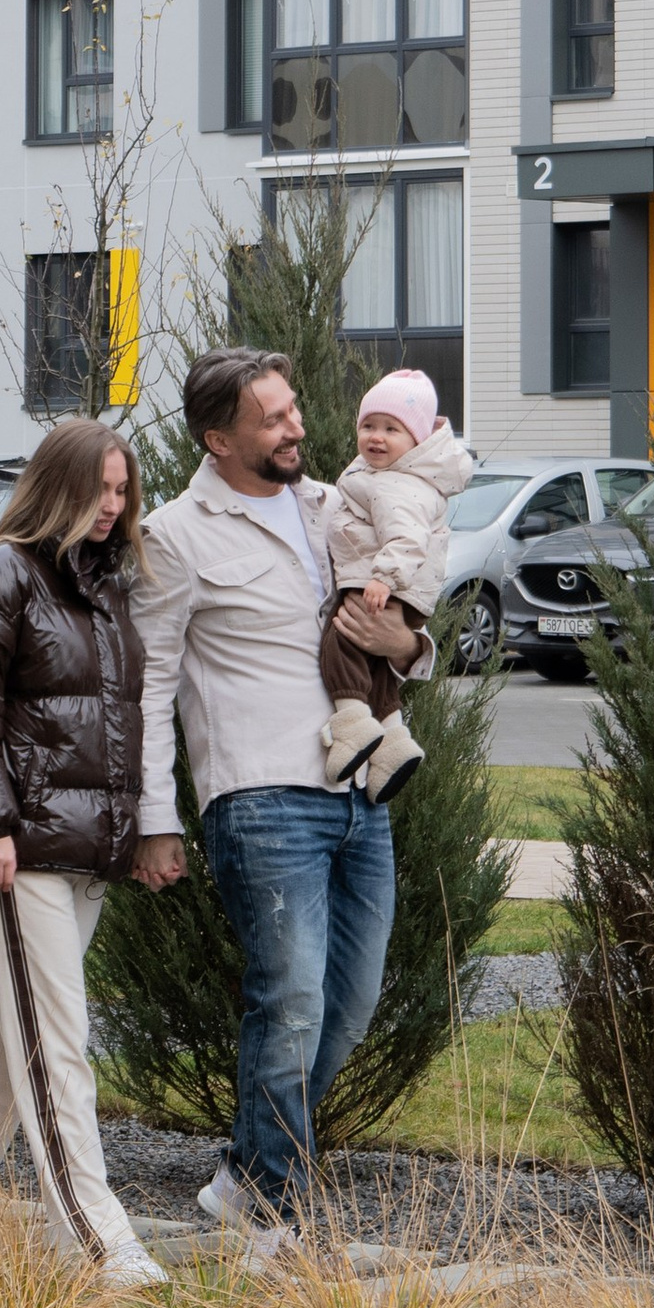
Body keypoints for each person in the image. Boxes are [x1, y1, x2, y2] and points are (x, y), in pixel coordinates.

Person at [133, 347, 430, 1246]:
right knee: (291, 998)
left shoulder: (336, 506)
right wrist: (156, 818)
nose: (297, 426)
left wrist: (408, 647)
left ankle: (243, 1178)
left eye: (294, 409)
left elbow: (408, 634)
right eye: (272, 418)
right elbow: (149, 686)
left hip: (359, 785)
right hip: (259, 797)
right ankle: (276, 1217)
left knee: (349, 1003)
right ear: (217, 438)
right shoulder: (176, 536)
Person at [0, 419, 185, 1285]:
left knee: (4, 1039)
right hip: (18, 854)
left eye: (123, 493)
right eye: (100, 491)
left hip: (82, 850)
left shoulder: (103, 588)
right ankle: (97, 1240)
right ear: (60, 486)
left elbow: (114, 725)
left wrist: (129, 836)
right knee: (58, 1044)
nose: (113, 508)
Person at [319, 369, 472, 803]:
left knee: (342, 641)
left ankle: (352, 724)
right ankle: (393, 739)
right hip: (401, 589)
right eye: (368, 425)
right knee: (376, 664)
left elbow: (407, 537)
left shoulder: (398, 484)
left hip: (384, 585)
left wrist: (383, 579)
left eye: (392, 429)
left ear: (418, 441)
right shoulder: (389, 474)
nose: (377, 437)